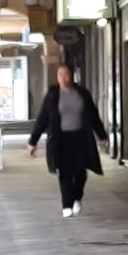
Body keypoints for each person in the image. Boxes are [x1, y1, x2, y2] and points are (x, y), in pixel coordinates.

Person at [28, 64, 109, 219]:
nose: (63, 78)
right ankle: (66, 205)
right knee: (64, 172)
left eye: (66, 74)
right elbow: (43, 119)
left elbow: (93, 116)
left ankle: (76, 198)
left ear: (72, 76)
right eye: (60, 75)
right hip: (60, 139)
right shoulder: (52, 95)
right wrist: (33, 141)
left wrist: (101, 135)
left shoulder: (82, 94)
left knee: (80, 173)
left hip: (80, 138)